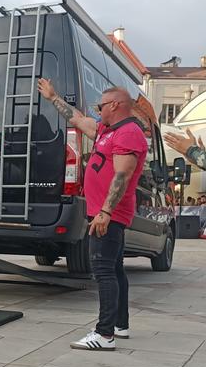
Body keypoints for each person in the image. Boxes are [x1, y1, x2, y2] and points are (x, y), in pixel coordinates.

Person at [38, 79, 147, 350]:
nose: (97, 110)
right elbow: (78, 119)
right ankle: (120, 325)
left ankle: (104, 334)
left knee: (103, 271)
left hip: (108, 215)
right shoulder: (107, 130)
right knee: (115, 269)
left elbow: (123, 174)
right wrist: (53, 97)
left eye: (100, 105)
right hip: (103, 213)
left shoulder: (129, 132)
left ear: (115, 105)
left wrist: (105, 212)